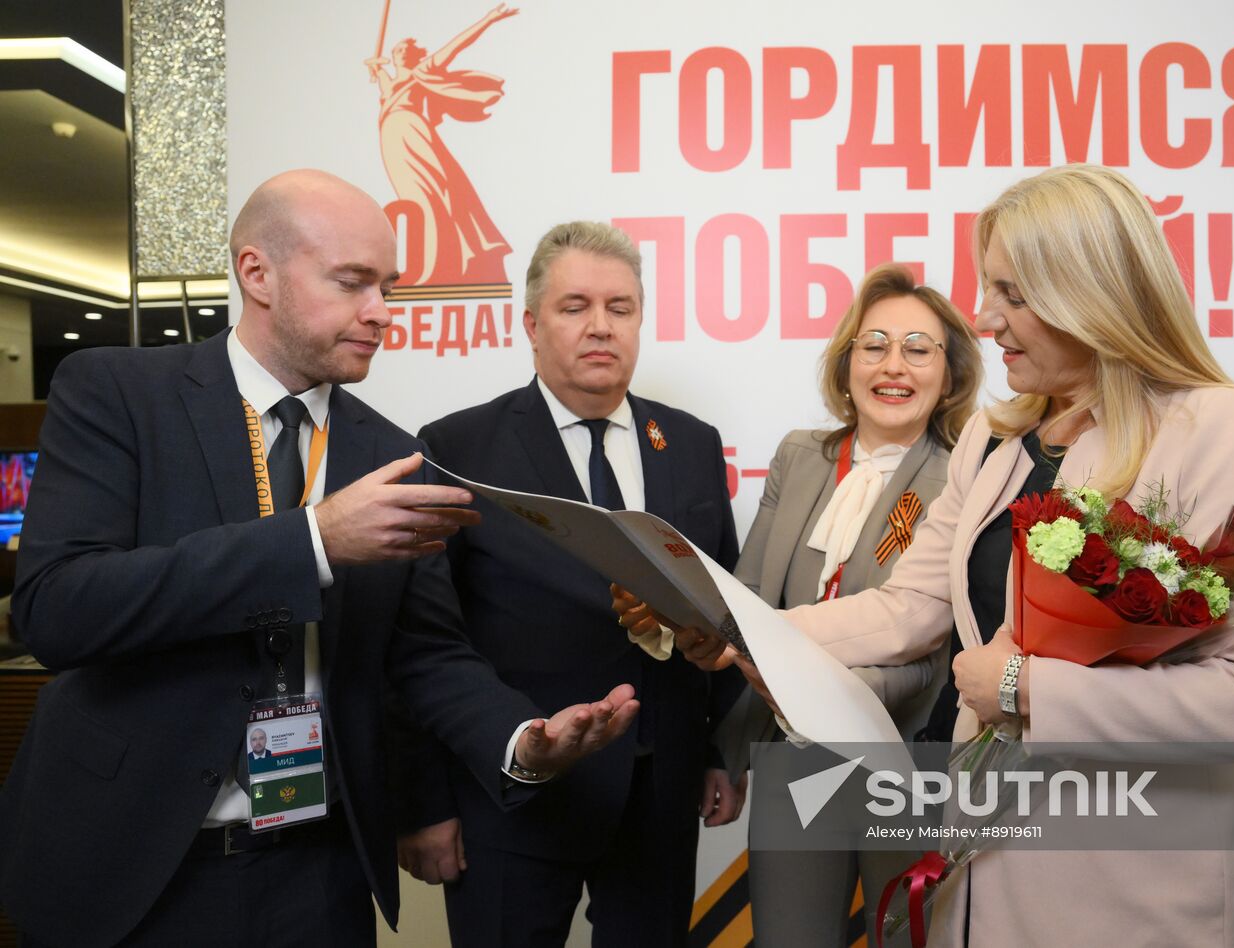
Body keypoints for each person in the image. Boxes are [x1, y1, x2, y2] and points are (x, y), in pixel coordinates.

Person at [646, 164, 1234, 946]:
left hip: (1140, 883)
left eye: (1013, 294)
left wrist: (1027, 689)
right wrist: (739, 626)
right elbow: (910, 608)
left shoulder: (1219, 426)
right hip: (989, 866)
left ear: (1094, 288)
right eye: (989, 290)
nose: (986, 319)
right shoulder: (996, 439)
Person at [0, 170, 637, 948]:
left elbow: (427, 655)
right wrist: (313, 541)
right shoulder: (118, 394)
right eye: (352, 282)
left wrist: (521, 739)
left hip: (317, 873)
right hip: (131, 868)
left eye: (388, 287)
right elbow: (59, 609)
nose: (381, 312)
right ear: (256, 273)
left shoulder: (393, 452)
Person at [392, 221, 746, 947]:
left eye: (620, 308)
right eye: (574, 306)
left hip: (660, 795)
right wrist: (423, 803)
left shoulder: (692, 443)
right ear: (529, 322)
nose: (600, 327)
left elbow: (722, 608)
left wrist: (714, 751)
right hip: (516, 798)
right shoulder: (455, 448)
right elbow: (421, 640)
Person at [712, 263, 982, 946]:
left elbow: (931, 640)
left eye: (918, 349)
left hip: (905, 757)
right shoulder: (800, 456)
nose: (894, 366)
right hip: (789, 753)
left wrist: (819, 693)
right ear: (847, 363)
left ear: (948, 375)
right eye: (875, 346)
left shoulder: (967, 474)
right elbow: (746, 604)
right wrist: (729, 745)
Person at [365, 3, 517, 285]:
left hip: (413, 131)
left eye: (402, 50)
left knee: (433, 193)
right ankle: (428, 264)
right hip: (393, 138)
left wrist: (487, 19)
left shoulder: (423, 70)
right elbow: (383, 84)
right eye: (395, 51)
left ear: (410, 55)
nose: (397, 54)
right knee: (411, 194)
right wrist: (376, 68)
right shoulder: (390, 84)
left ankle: (443, 265)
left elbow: (456, 45)